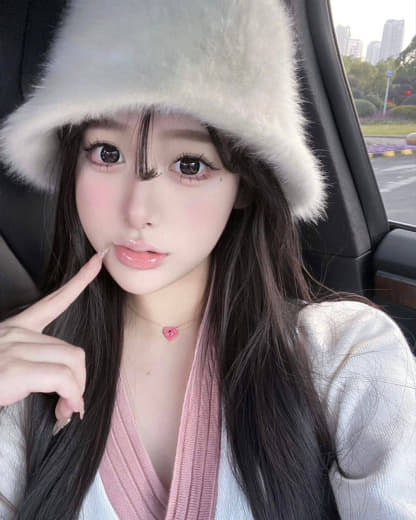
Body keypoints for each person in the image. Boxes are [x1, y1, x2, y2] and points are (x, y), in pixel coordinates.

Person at [0, 0, 414, 519]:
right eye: (107, 153)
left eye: (190, 164)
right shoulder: (24, 378)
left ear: (245, 186)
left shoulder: (345, 358)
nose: (137, 210)